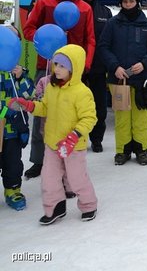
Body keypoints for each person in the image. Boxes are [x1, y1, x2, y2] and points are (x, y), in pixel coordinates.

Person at [8, 44, 98, 225]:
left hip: (73, 146)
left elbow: (89, 118)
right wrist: (28, 105)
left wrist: (74, 136)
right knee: (49, 179)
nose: (57, 69)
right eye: (56, 64)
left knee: (76, 179)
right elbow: (45, 108)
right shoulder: (51, 87)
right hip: (52, 143)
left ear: (74, 68)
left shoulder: (82, 92)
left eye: (63, 66)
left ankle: (89, 204)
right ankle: (55, 208)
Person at [22, 0, 96, 179]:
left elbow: (90, 40)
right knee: (41, 114)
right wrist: (45, 37)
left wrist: (86, 66)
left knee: (69, 117)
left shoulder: (85, 8)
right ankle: (38, 160)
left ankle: (67, 163)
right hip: (45, 68)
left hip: (73, 73)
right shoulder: (44, 3)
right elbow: (28, 29)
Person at [98, 0, 147, 166]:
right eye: (125, 2)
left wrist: (145, 63)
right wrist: (114, 66)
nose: (128, 5)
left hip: (141, 80)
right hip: (118, 79)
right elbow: (103, 47)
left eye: (131, 1)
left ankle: (142, 149)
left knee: (141, 116)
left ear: (137, 2)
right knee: (122, 117)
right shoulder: (112, 24)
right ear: (121, 3)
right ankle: (123, 150)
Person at [0, 27, 34, 210]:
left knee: (13, 163)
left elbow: (30, 95)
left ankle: (12, 190)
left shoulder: (20, 73)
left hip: (13, 129)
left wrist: (22, 78)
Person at [79, 0, 113, 153]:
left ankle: (97, 139)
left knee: (99, 106)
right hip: (76, 68)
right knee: (77, 105)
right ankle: (79, 138)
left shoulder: (105, 12)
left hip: (98, 68)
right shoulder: (73, 8)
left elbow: (110, 40)